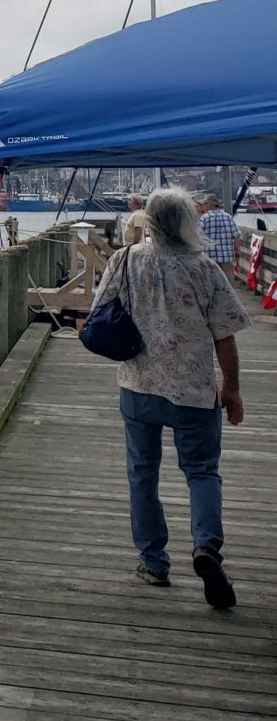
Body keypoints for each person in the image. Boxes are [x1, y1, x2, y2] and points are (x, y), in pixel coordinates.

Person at [99, 185, 245, 606]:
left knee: (142, 474)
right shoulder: (205, 270)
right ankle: (206, 548)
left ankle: (154, 562)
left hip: (138, 384)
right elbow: (225, 336)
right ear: (187, 222)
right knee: (201, 471)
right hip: (194, 389)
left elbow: (101, 308)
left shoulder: (124, 259)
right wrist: (231, 389)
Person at [197, 194, 241, 280]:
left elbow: (198, 235)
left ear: (212, 204)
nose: (203, 206)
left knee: (211, 282)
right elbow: (236, 235)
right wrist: (237, 250)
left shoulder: (204, 218)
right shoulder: (228, 217)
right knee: (228, 282)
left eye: (205, 203)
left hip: (209, 257)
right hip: (227, 257)